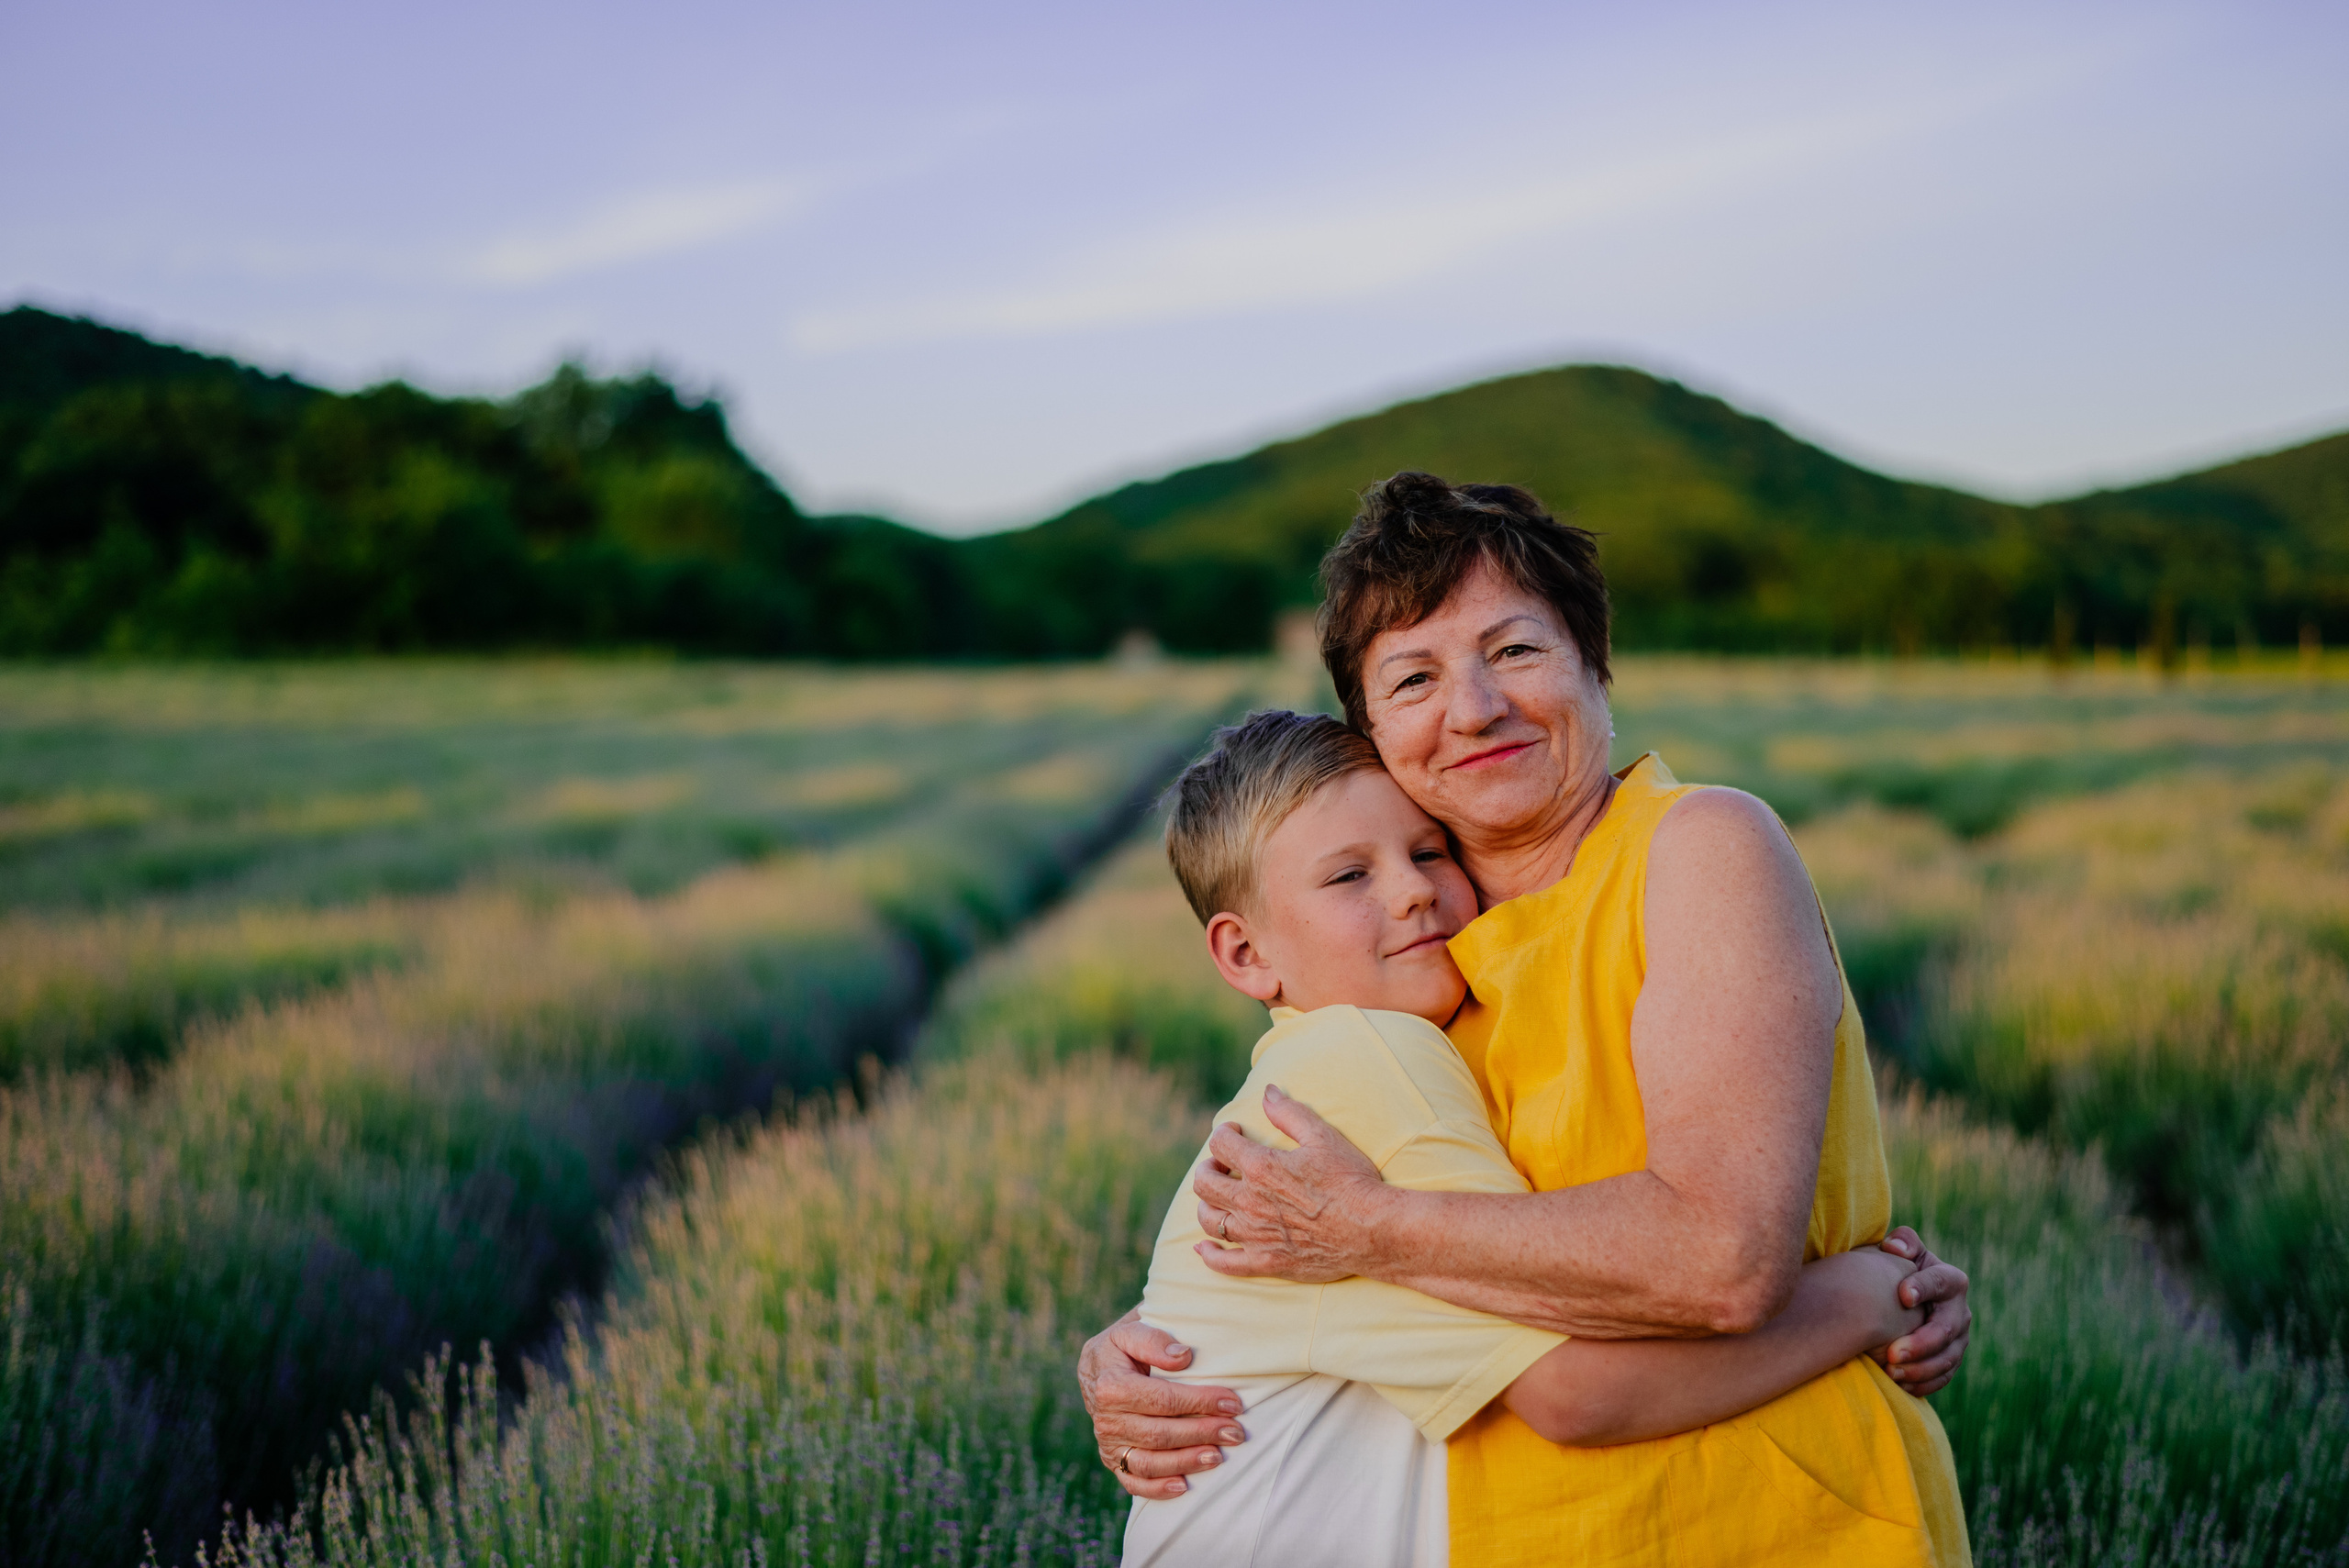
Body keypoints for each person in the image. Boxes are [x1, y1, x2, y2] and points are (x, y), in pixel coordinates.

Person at [1081, 473, 1976, 1567]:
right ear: (1375, 734)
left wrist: (1372, 1229)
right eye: (1413, 677)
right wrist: (1168, 1343)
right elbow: (1302, 1208)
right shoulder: (1420, 959)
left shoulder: (1695, 850)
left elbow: (1720, 1258)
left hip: (1770, 1518)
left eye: (1514, 651)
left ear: (1595, 665)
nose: (1473, 707)